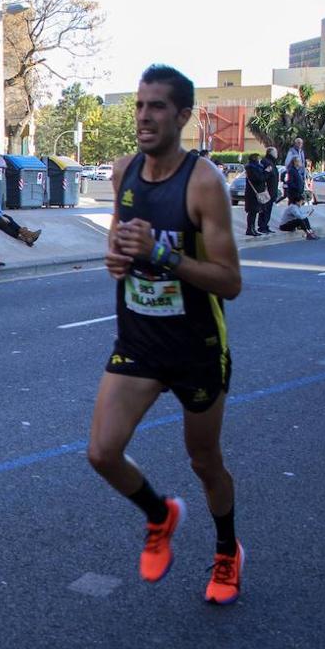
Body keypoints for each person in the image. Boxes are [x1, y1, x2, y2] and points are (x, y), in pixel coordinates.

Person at [89, 64, 245, 605]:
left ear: (183, 116)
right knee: (102, 453)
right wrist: (115, 255)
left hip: (196, 348)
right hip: (139, 343)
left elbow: (230, 282)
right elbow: (118, 236)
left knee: (204, 461)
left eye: (156, 107)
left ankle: (227, 551)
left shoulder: (204, 183)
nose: (143, 116)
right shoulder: (124, 170)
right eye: (138, 105)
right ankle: (160, 515)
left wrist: (162, 254)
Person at [243, 152, 267, 237]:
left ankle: (253, 228)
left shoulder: (258, 167)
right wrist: (266, 172)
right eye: (258, 158)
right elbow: (258, 179)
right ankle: (250, 229)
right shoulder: (251, 168)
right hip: (253, 193)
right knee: (252, 212)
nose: (260, 160)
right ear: (255, 159)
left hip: (257, 192)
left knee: (255, 211)